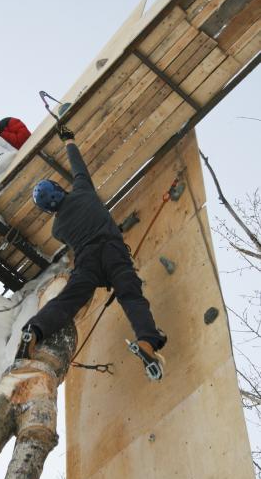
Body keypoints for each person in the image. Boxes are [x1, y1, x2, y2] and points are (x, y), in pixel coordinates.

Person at [15, 124, 167, 381]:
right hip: (113, 252)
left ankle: (34, 330)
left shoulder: (58, 229)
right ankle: (147, 343)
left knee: (68, 301)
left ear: (48, 210)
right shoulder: (83, 191)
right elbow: (78, 166)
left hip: (86, 263)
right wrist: (69, 141)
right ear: (60, 189)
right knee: (131, 295)